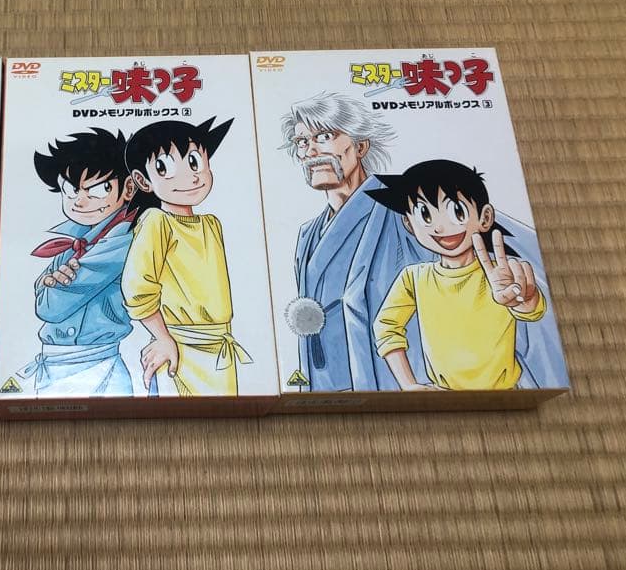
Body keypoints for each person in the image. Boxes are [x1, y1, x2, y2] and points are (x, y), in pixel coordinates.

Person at [282, 92, 431, 391]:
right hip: (325, 383)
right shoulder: (307, 234)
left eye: (324, 136)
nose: (311, 151)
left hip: (390, 379)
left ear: (360, 146)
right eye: (302, 142)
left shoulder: (403, 209)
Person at [368, 160, 546, 390]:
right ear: (409, 224)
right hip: (443, 395)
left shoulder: (501, 274)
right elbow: (386, 326)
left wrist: (524, 299)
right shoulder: (414, 278)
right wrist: (409, 385)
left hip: (505, 394)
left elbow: (532, 311)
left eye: (457, 211)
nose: (440, 228)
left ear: (485, 218)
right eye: (425, 214)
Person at [121, 117, 250, 396]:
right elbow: (137, 288)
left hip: (220, 345)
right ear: (143, 181)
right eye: (165, 168)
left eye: (195, 162)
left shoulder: (211, 224)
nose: (191, 177)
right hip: (179, 346)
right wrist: (162, 337)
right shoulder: (156, 221)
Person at [22, 128, 146, 396]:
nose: (79, 200)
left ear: (128, 188)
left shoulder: (121, 242)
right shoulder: (74, 240)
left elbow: (49, 307)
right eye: (70, 188)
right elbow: (41, 288)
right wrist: (49, 284)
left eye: (98, 189)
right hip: (55, 363)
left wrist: (50, 287)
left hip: (98, 363)